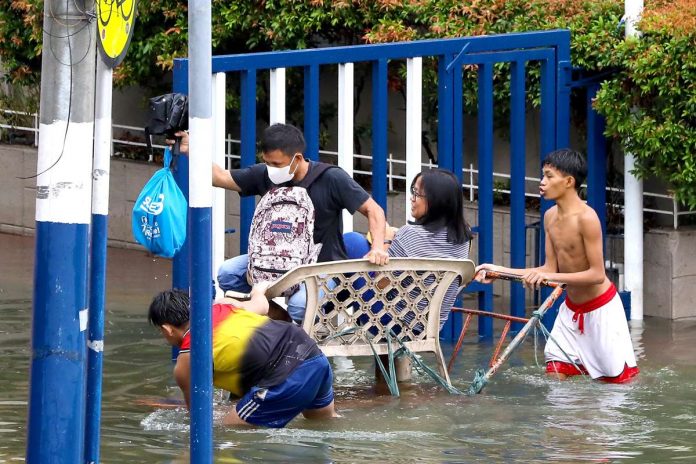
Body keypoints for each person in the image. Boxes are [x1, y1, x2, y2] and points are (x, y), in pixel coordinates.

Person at [173, 123, 388, 322]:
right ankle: (281, 322)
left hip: (319, 265)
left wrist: (377, 247)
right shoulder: (266, 174)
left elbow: (373, 210)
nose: (271, 168)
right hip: (273, 260)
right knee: (227, 273)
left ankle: (294, 329)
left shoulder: (331, 178)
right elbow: (220, 177)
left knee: (299, 306)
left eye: (276, 164)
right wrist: (192, 150)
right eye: (267, 162)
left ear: (297, 158)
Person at [476, 148, 639, 383]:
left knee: (614, 388)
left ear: (569, 181)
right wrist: (497, 269)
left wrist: (553, 278)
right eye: (543, 175)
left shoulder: (587, 217)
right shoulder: (550, 216)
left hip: (602, 310)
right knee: (555, 374)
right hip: (571, 309)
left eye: (549, 176)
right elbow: (548, 268)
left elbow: (596, 274)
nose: (542, 182)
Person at [148, 285, 339, 428]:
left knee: (228, 430)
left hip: (284, 376)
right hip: (314, 356)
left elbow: (198, 416)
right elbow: (262, 305)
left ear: (167, 329)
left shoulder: (187, 359)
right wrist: (258, 289)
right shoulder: (223, 308)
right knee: (324, 425)